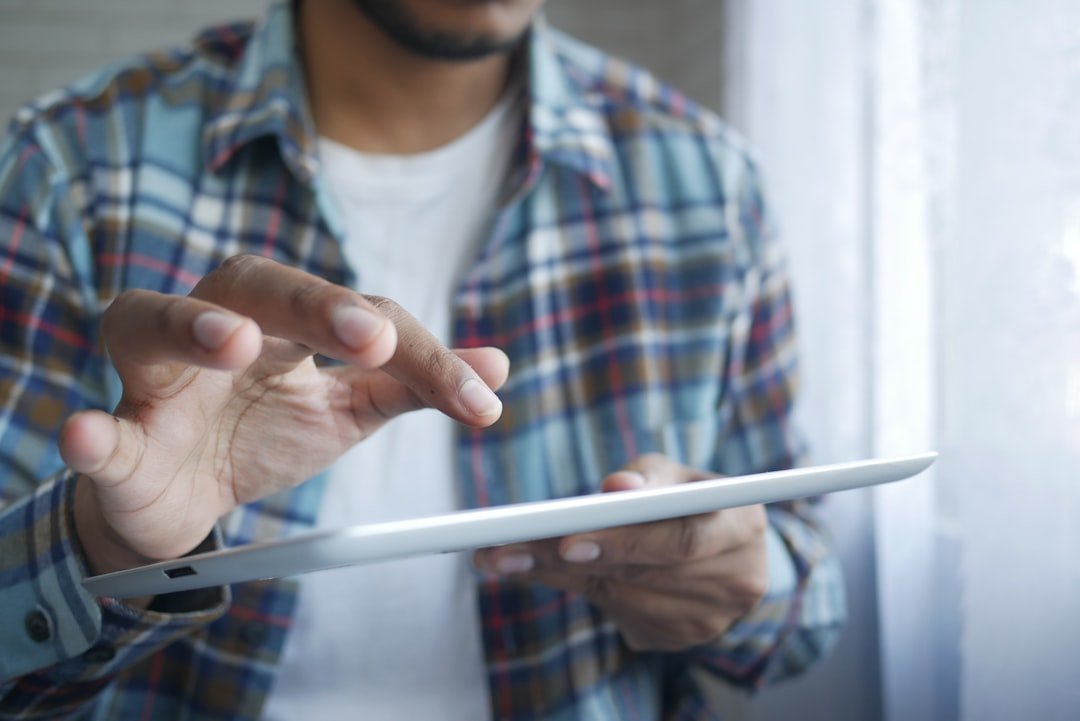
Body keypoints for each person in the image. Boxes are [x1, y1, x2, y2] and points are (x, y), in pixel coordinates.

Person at [0, 0, 846, 718]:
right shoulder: (67, 170)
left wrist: (749, 577)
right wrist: (104, 547)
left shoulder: (707, 183)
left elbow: (809, 601)